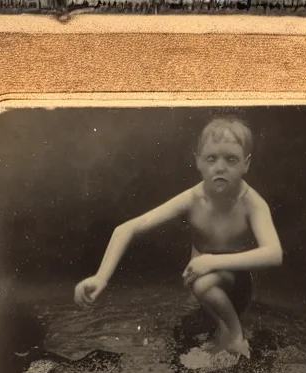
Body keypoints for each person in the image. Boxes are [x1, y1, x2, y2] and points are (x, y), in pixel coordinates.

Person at [74, 116, 283, 359]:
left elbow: (274, 253)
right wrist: (101, 277)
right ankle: (222, 330)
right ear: (198, 162)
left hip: (234, 283)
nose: (220, 167)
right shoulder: (192, 198)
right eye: (211, 159)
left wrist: (211, 262)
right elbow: (128, 228)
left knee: (203, 282)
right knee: (199, 294)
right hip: (202, 281)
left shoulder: (252, 203)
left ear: (245, 164)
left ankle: (236, 337)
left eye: (231, 160)